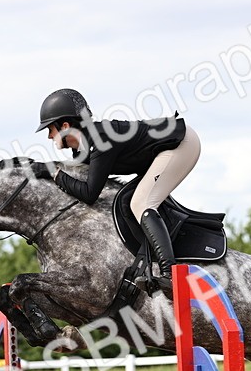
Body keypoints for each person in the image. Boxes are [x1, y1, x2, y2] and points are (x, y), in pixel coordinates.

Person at [36, 88, 201, 289]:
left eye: (50, 130)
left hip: (181, 144)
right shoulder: (84, 148)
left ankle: (170, 274)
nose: (49, 136)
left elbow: (89, 194)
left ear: (65, 126)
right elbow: (78, 181)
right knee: (125, 202)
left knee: (141, 203)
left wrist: (53, 173)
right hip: (164, 151)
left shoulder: (100, 139)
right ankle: (151, 263)